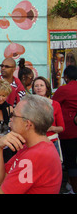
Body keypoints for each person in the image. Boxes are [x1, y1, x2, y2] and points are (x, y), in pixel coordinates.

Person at [0, 95, 62, 194]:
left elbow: (0, 191)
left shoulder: (36, 155)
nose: (10, 119)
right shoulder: (29, 147)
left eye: (14, 115)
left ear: (27, 124)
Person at [52, 65, 77, 193]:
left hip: (69, 131)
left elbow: (52, 105)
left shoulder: (64, 89)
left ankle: (74, 188)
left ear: (66, 77)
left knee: (70, 161)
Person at [31, 76, 64, 157]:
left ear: (47, 88)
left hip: (52, 142)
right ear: (33, 89)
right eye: (36, 86)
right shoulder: (29, 104)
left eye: (41, 85)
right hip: (34, 142)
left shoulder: (55, 105)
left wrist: (51, 128)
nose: (39, 88)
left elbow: (62, 128)